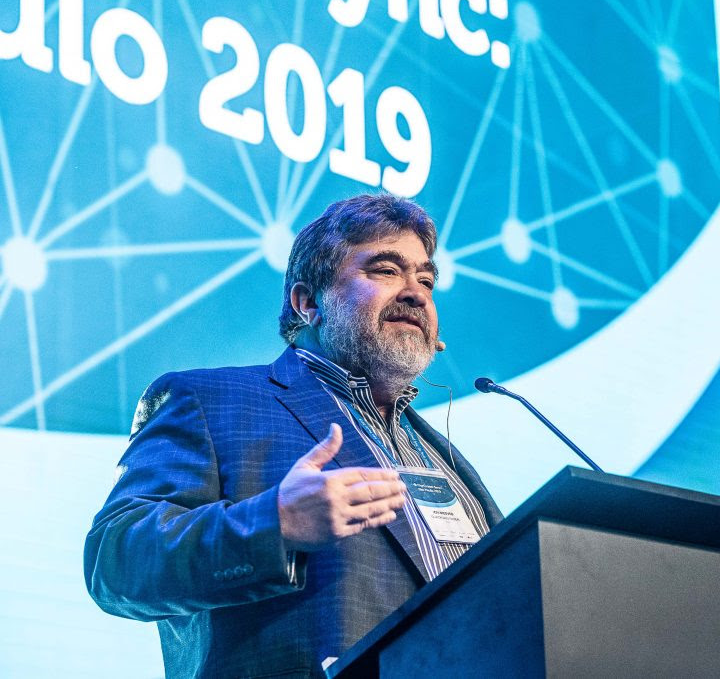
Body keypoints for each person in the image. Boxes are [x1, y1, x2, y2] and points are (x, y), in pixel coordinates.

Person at [84, 194, 503, 678]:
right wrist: (274, 523)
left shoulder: (443, 456)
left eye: (426, 279)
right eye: (386, 271)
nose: (416, 293)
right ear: (308, 303)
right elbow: (116, 562)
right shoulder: (208, 400)